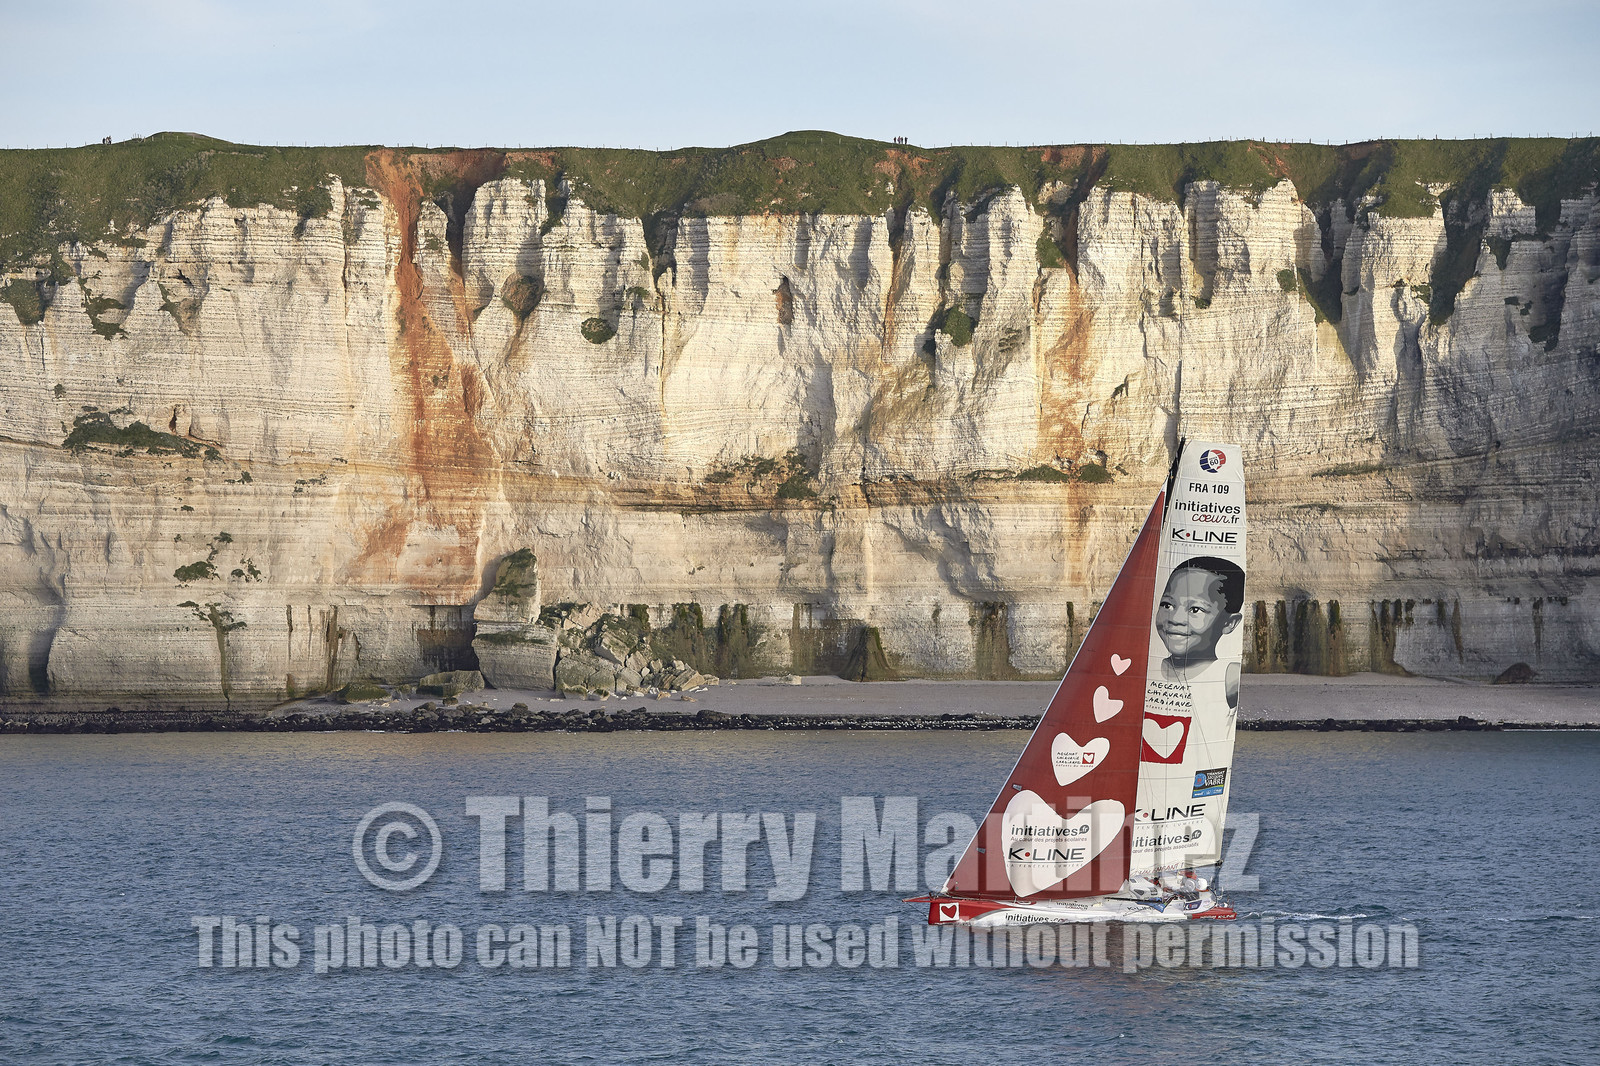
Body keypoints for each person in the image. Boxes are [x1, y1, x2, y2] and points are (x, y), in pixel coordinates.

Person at [1155, 556, 1245, 709]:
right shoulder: (1149, 664)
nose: (1175, 619)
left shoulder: (1229, 676)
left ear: (1229, 623)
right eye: (1167, 605)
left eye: (1195, 610)